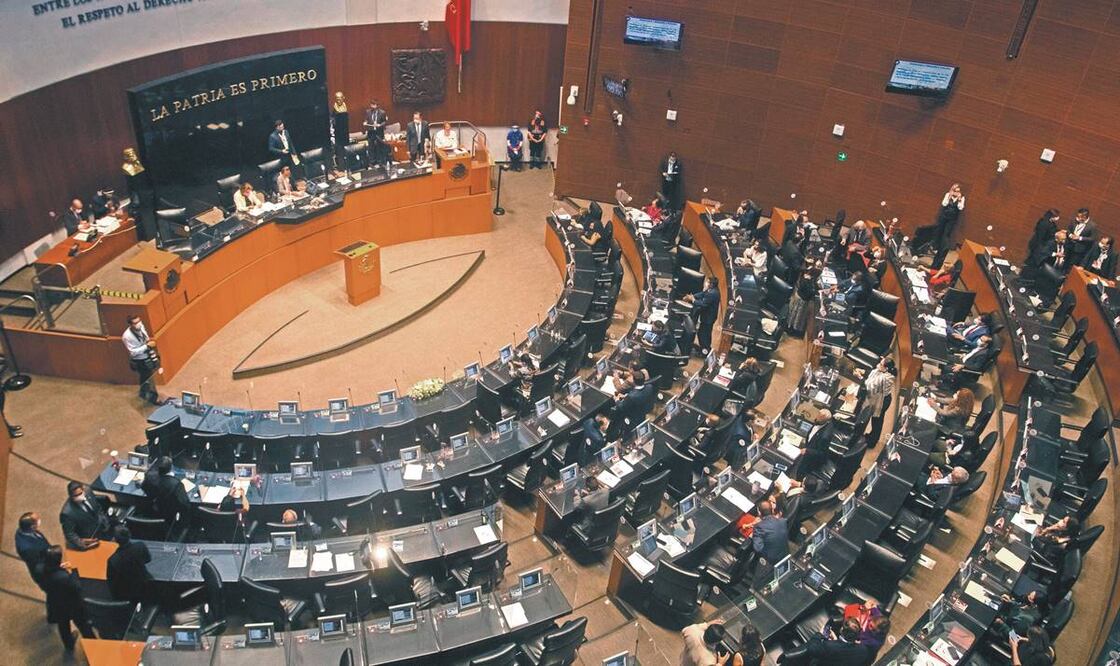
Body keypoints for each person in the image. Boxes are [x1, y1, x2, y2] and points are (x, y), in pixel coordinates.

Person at [40, 546, 94, 651]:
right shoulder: (64, 578)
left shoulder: (43, 569)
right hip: (73, 605)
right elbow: (77, 587)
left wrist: (60, 568)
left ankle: (68, 645)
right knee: (83, 625)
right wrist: (73, 572)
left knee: (63, 626)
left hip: (56, 604)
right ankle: (92, 644)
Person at [59, 481, 113, 549]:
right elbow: (70, 534)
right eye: (76, 495)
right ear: (70, 496)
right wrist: (81, 543)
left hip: (102, 529)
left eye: (80, 493)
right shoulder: (67, 513)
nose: (79, 496)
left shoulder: (88, 492)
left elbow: (98, 507)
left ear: (83, 490)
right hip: (90, 539)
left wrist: (103, 520)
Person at [107, 526, 153, 603]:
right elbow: (148, 559)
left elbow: (112, 582)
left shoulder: (113, 560)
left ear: (114, 540)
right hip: (146, 586)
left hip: (127, 594)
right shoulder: (140, 546)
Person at [122, 314, 160, 405]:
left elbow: (145, 336)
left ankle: (143, 393)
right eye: (135, 323)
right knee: (150, 378)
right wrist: (146, 346)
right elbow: (133, 352)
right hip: (140, 361)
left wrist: (148, 343)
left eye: (139, 321)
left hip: (148, 355)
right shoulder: (127, 336)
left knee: (145, 377)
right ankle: (154, 398)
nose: (139, 324)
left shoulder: (141, 327)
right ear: (130, 325)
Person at [863, 357, 896, 447]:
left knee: (876, 421)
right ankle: (871, 437)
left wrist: (860, 376)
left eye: (881, 364)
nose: (879, 365)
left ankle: (872, 442)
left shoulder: (886, 378)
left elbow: (870, 385)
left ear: (886, 368)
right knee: (877, 420)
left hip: (882, 401)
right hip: (880, 398)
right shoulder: (885, 372)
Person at [15, 511, 52, 588]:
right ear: (32, 526)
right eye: (37, 520)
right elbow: (38, 562)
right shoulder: (27, 548)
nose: (39, 520)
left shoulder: (24, 531)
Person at [686, 276, 721, 355]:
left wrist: (693, 300)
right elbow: (702, 294)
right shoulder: (711, 290)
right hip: (708, 317)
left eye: (707, 282)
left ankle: (705, 351)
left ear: (711, 284)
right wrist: (693, 296)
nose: (706, 283)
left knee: (704, 334)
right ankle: (705, 348)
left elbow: (703, 304)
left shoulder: (713, 293)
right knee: (703, 333)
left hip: (708, 318)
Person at [149, 455, 190, 523]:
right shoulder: (176, 484)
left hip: (155, 511)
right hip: (172, 516)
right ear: (171, 468)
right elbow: (185, 504)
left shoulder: (151, 479)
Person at [751, 500, 789, 575]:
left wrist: (753, 534)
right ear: (772, 510)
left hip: (769, 563)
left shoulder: (759, 527)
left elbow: (758, 548)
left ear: (759, 512)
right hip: (785, 558)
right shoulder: (782, 522)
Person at [933, 183, 965, 268]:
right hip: (944, 216)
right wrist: (949, 197)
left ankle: (942, 248)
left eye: (958, 191)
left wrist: (959, 200)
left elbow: (960, 208)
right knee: (939, 231)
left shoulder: (962, 198)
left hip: (952, 219)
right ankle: (935, 247)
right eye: (955, 191)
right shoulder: (948, 194)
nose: (956, 192)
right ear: (952, 190)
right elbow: (944, 204)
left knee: (946, 234)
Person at [797, 409, 834, 479]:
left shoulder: (824, 437)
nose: (816, 418)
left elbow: (821, 453)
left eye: (819, 418)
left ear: (824, 420)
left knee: (800, 472)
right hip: (810, 446)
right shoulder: (822, 422)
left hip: (813, 460)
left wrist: (807, 451)